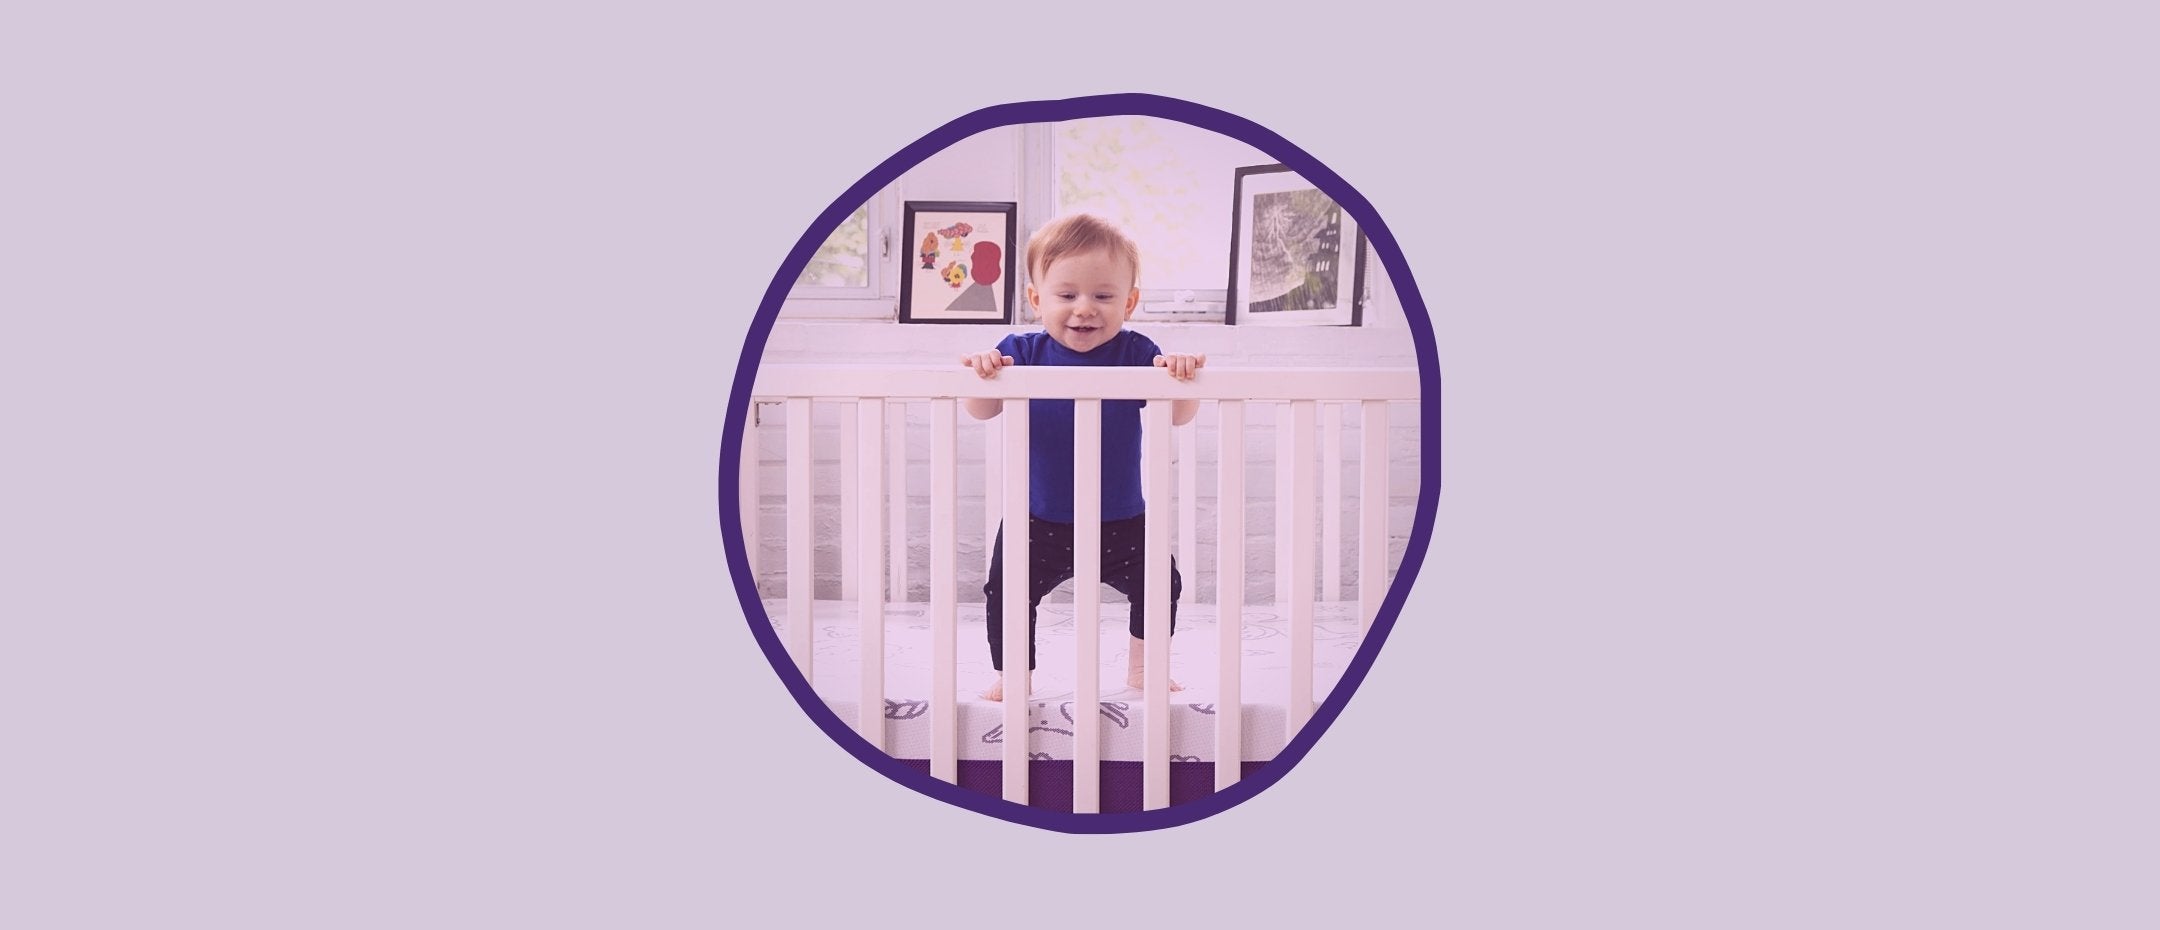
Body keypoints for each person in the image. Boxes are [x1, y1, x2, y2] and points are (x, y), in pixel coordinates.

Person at [960, 213, 1204, 702]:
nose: (1085, 309)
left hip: (1122, 519)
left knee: (1162, 584)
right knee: (1006, 591)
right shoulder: (1021, 353)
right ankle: (1015, 675)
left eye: (1104, 296)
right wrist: (983, 373)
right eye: (1067, 295)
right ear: (1036, 299)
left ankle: (1143, 667)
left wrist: (1181, 378)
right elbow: (980, 410)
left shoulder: (1137, 353)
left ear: (1129, 302)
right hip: (1037, 518)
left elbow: (1177, 416)